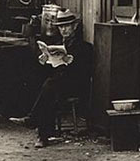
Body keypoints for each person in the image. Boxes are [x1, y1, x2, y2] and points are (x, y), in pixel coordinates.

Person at [10, 9, 93, 148]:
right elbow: (50, 69)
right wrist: (44, 60)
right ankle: (41, 132)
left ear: (74, 27)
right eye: (61, 27)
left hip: (75, 85)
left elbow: (85, 73)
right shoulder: (57, 44)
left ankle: (36, 127)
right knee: (43, 85)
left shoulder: (84, 47)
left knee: (49, 86)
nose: (64, 30)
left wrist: (71, 61)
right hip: (58, 84)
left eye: (67, 26)